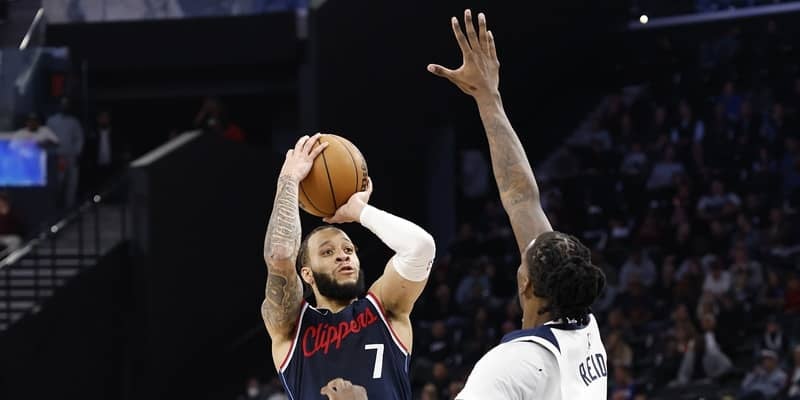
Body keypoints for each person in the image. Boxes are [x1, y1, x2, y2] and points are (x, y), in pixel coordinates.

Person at [427, 10, 607, 399]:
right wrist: (488, 99)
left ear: (526, 283)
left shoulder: (511, 366)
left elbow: (522, 199)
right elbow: (521, 196)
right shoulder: (586, 332)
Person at [261, 134, 436, 400]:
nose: (342, 256)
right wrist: (289, 180)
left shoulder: (384, 309)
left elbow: (420, 248)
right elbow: (280, 255)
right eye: (327, 252)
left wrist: (359, 212)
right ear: (307, 274)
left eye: (348, 250)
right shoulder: (293, 327)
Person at [47, 98, 85, 208]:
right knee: (58, 182)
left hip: (71, 156)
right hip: (58, 157)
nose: (65, 106)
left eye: (67, 104)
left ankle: (70, 206)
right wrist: (53, 154)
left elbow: (79, 138)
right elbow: (48, 138)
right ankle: (55, 206)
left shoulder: (74, 121)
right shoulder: (52, 120)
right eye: (63, 104)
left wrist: (77, 152)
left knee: (72, 182)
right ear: (59, 105)